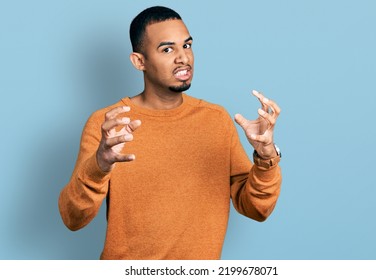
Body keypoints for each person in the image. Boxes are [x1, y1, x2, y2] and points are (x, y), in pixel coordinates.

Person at [59, 6, 282, 260]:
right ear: (139, 61)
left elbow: (257, 208)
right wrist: (99, 165)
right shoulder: (108, 124)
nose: (183, 58)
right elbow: (72, 218)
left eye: (187, 46)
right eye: (167, 49)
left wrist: (265, 157)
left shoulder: (216, 120)